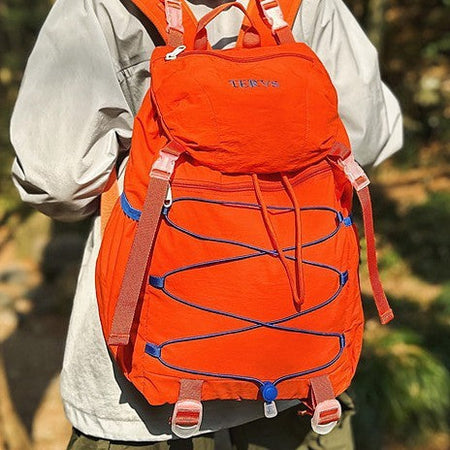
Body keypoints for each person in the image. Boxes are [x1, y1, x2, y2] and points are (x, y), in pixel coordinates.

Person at [10, 0, 403, 448]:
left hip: (147, 396)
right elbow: (367, 137)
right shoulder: (311, 5)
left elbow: (58, 178)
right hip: (306, 370)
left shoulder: (97, 6)